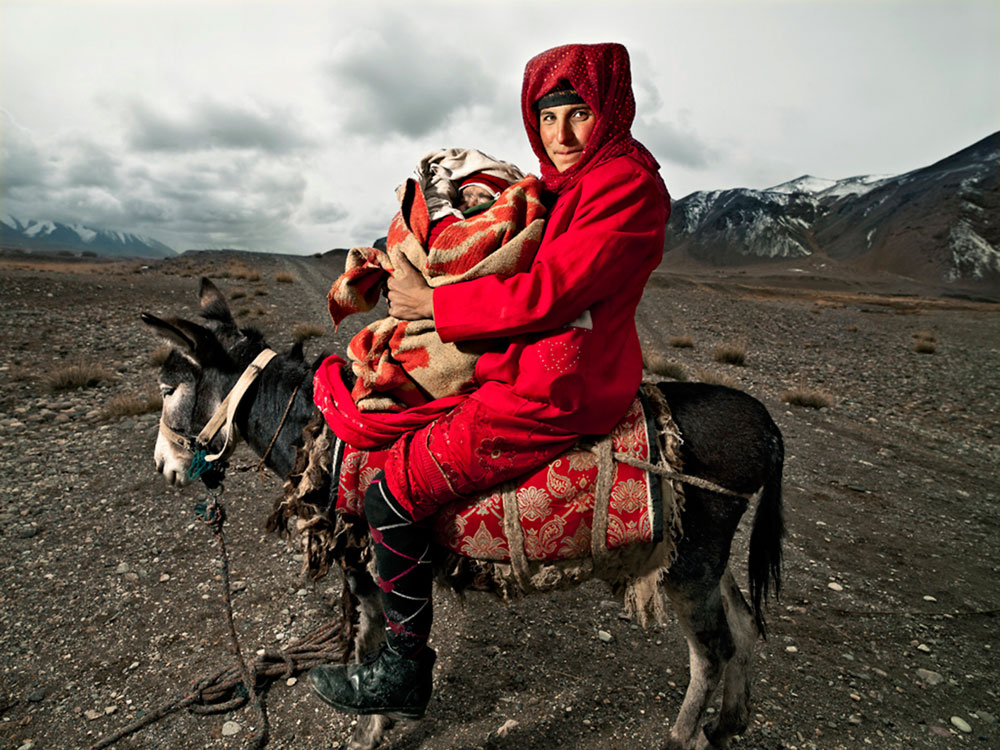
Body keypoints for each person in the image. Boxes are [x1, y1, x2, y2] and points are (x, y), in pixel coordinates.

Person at [308, 42, 671, 720]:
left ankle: (404, 669)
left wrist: (430, 308)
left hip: (554, 386)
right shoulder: (569, 185)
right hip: (520, 362)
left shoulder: (626, 187)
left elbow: (552, 294)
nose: (559, 136)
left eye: (579, 114)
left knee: (393, 491)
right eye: (546, 117)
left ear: (613, 109)